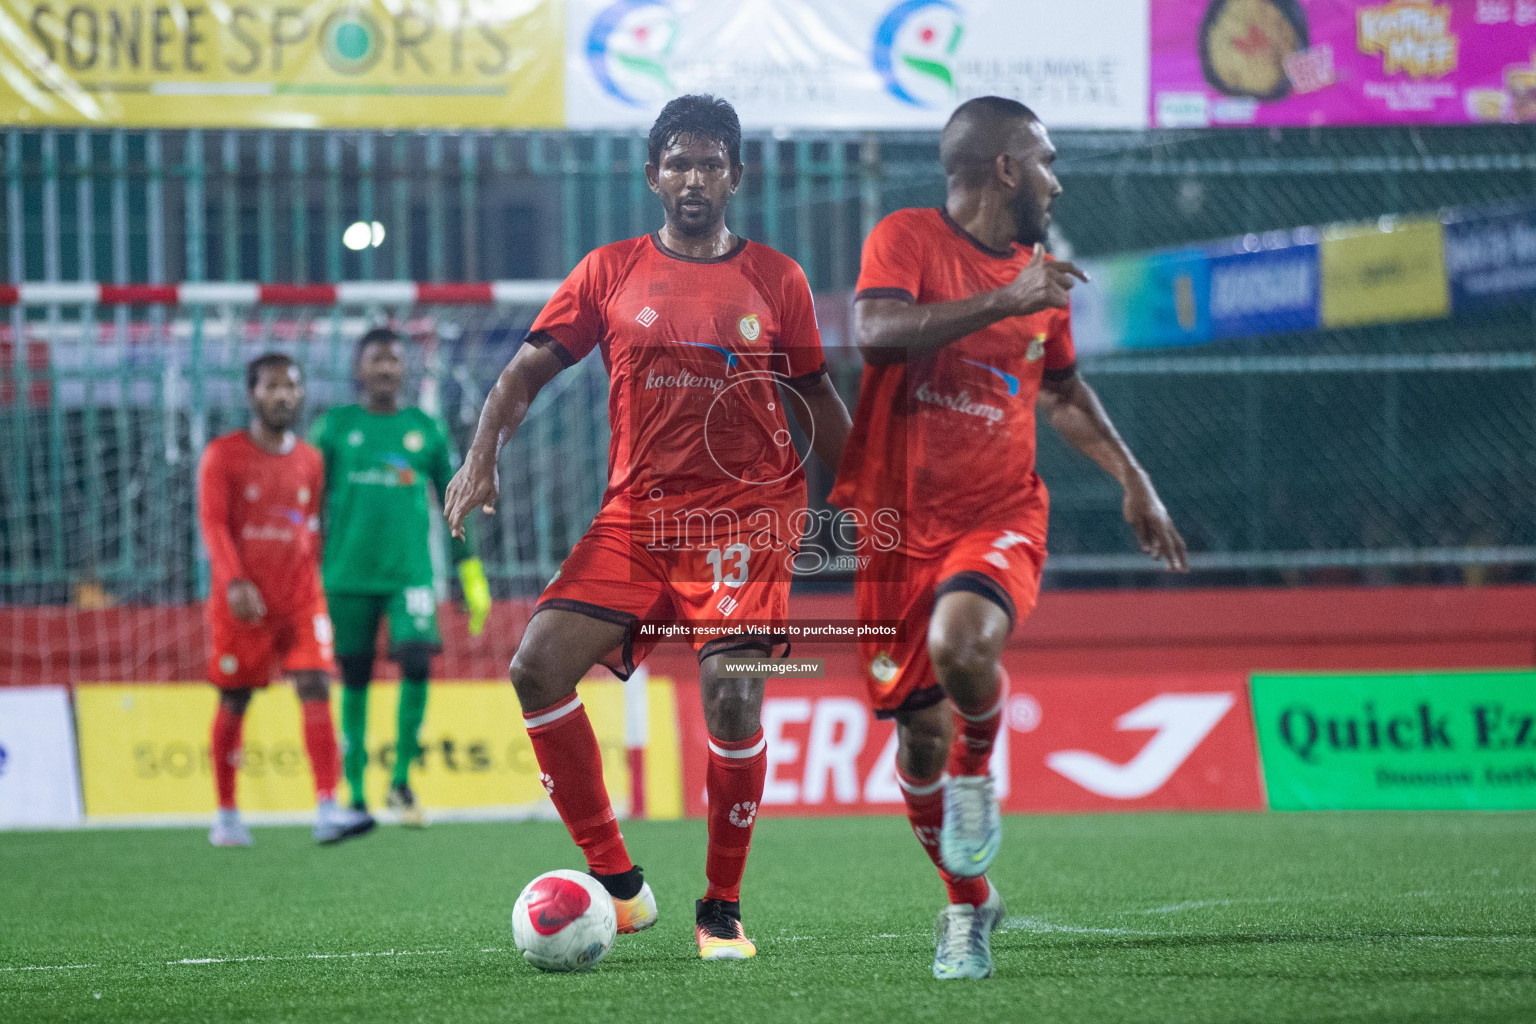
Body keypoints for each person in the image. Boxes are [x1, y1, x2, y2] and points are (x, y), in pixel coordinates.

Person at [445, 94, 851, 960]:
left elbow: (814, 394)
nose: (694, 177)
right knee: (535, 668)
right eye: (679, 162)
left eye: (711, 162)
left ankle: (722, 909)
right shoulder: (608, 272)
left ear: (735, 176)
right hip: (637, 517)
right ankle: (620, 885)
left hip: (748, 517)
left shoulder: (778, 280)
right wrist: (482, 456)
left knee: (734, 693)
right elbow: (520, 375)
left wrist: (866, 489)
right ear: (652, 176)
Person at [829, 96, 1188, 979]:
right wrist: (1004, 296)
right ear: (1005, 168)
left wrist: (1132, 478)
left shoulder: (1042, 278)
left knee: (962, 646)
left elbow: (1061, 391)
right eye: (1048, 161)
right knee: (916, 741)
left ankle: (979, 770)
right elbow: (873, 337)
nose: (1057, 181)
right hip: (895, 534)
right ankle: (969, 907)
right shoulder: (909, 238)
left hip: (999, 514)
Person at [310, 327, 492, 827]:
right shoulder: (332, 429)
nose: (386, 369)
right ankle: (354, 793)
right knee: (355, 676)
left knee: (416, 660)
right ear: (359, 369)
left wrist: (469, 571)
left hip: (410, 574)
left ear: (404, 369)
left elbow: (456, 503)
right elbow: (302, 496)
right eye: (376, 360)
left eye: (393, 360)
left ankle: (403, 783)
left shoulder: (425, 430)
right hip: (346, 575)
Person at [197, 352, 376, 847]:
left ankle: (326, 807)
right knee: (236, 695)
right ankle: (227, 814)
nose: (283, 395)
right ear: (252, 394)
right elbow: (213, 525)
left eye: (291, 386)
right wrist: (234, 582)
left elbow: (308, 528)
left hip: (299, 597)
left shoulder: (310, 461)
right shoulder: (222, 455)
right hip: (243, 600)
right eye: (272, 386)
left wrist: (314, 581)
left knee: (316, 682)